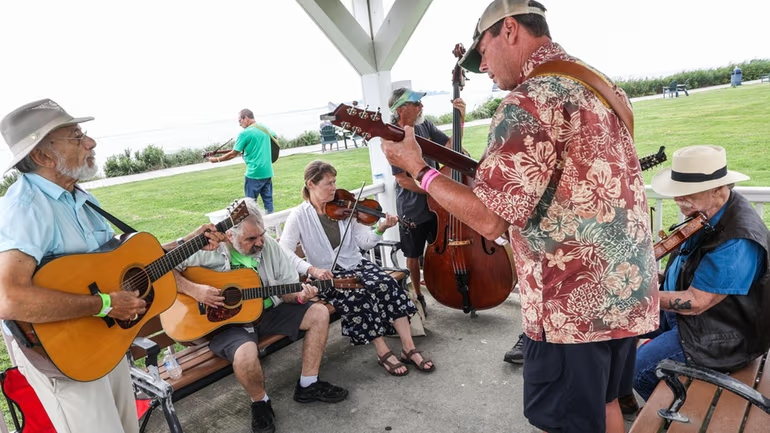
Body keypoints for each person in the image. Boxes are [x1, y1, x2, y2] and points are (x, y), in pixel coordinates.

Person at [380, 1, 659, 432]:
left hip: (572, 307)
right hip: (626, 290)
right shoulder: (599, 83)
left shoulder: (529, 100)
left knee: (570, 422)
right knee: (606, 406)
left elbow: (491, 221)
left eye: (483, 53)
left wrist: (419, 169)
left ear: (509, 30)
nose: (482, 67)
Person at [0, 99, 224, 433]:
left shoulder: (82, 198)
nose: (90, 142)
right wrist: (104, 303)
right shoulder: (26, 207)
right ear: (43, 156)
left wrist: (186, 243)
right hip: (62, 349)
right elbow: (10, 299)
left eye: (84, 134)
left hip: (106, 339)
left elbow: (113, 262)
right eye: (76, 137)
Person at [173, 197, 348, 433]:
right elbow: (165, 271)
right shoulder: (208, 250)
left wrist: (300, 296)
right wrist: (195, 290)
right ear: (229, 236)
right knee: (246, 353)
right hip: (225, 324)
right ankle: (260, 402)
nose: (260, 242)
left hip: (266, 313)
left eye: (261, 234)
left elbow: (287, 288)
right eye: (251, 238)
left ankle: (309, 384)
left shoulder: (269, 247)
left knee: (318, 312)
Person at [633, 145, 770, 401]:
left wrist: (637, 293)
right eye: (677, 192)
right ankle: (617, 397)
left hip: (719, 333)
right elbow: (684, 268)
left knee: (639, 370)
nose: (677, 200)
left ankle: (673, 417)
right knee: (616, 328)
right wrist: (655, 278)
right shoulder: (707, 212)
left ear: (720, 188)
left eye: (688, 193)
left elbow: (696, 303)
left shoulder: (738, 239)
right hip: (688, 318)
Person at [279, 160, 435, 376]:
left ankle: (408, 348)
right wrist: (311, 270)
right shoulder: (299, 215)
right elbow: (284, 251)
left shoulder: (345, 207)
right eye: (328, 183)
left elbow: (364, 242)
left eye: (335, 182)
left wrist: (380, 229)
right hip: (328, 275)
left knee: (388, 284)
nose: (334, 188)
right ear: (311, 184)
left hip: (356, 264)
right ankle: (383, 352)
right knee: (358, 295)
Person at [387, 87, 466, 316]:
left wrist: (459, 121)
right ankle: (419, 297)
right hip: (413, 207)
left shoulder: (426, 125)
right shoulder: (393, 136)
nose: (421, 106)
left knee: (441, 248)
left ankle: (448, 286)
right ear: (401, 108)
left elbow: (452, 149)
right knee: (413, 255)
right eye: (416, 103)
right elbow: (403, 180)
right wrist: (434, 190)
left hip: (436, 203)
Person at [209, 109, 276, 213]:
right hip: (267, 171)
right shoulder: (264, 127)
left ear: (246, 118)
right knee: (268, 202)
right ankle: (273, 226)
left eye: (240, 121)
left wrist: (216, 159)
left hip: (254, 173)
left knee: (250, 205)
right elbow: (274, 136)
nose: (240, 124)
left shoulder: (245, 133)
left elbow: (233, 154)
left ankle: (254, 228)